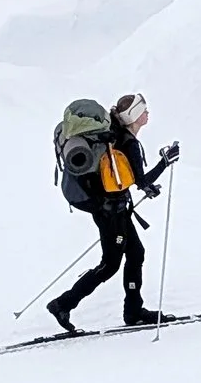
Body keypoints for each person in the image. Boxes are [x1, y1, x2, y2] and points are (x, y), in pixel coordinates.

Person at [49, 93, 181, 331]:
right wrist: (165, 162)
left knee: (136, 253)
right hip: (111, 211)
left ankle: (133, 310)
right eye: (143, 110)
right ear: (134, 116)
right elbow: (140, 180)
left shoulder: (115, 134)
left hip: (111, 207)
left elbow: (120, 176)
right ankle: (63, 304)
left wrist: (144, 187)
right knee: (110, 265)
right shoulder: (128, 142)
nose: (147, 113)